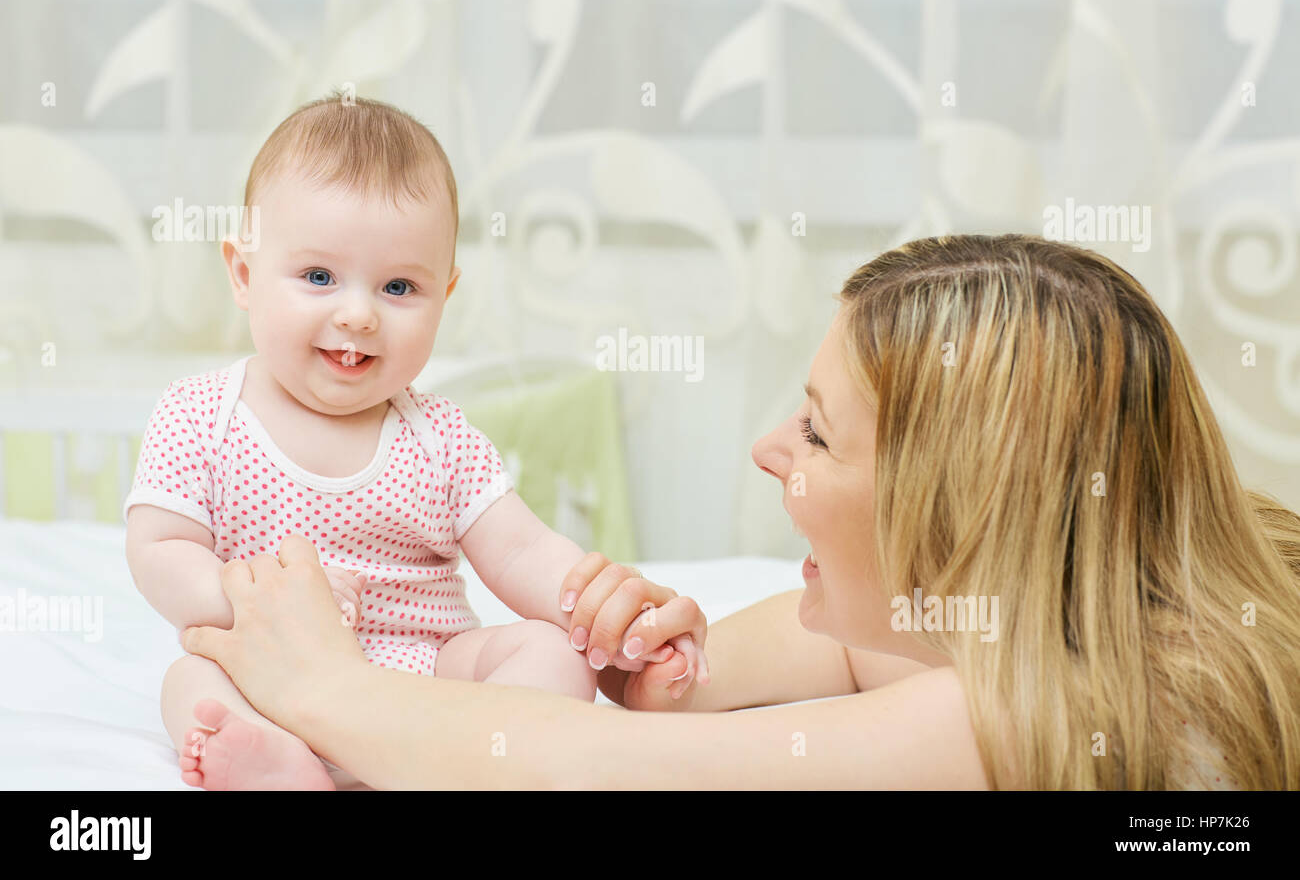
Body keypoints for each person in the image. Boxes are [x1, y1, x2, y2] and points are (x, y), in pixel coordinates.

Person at [182, 234, 1300, 789]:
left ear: (959, 514)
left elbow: (592, 775)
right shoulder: (1012, 609)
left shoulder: (1034, 716)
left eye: (815, 431)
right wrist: (629, 655)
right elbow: (673, 696)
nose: (767, 449)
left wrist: (323, 682)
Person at [124, 93, 708, 791]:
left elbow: (523, 551)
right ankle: (280, 766)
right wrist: (246, 600)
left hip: (431, 685)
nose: (359, 313)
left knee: (554, 654)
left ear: (445, 295)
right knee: (193, 679)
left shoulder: (441, 439)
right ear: (244, 274)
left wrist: (610, 621)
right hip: (273, 670)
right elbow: (160, 549)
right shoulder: (202, 416)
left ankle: (463, 766)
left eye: (399, 286)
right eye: (318, 277)